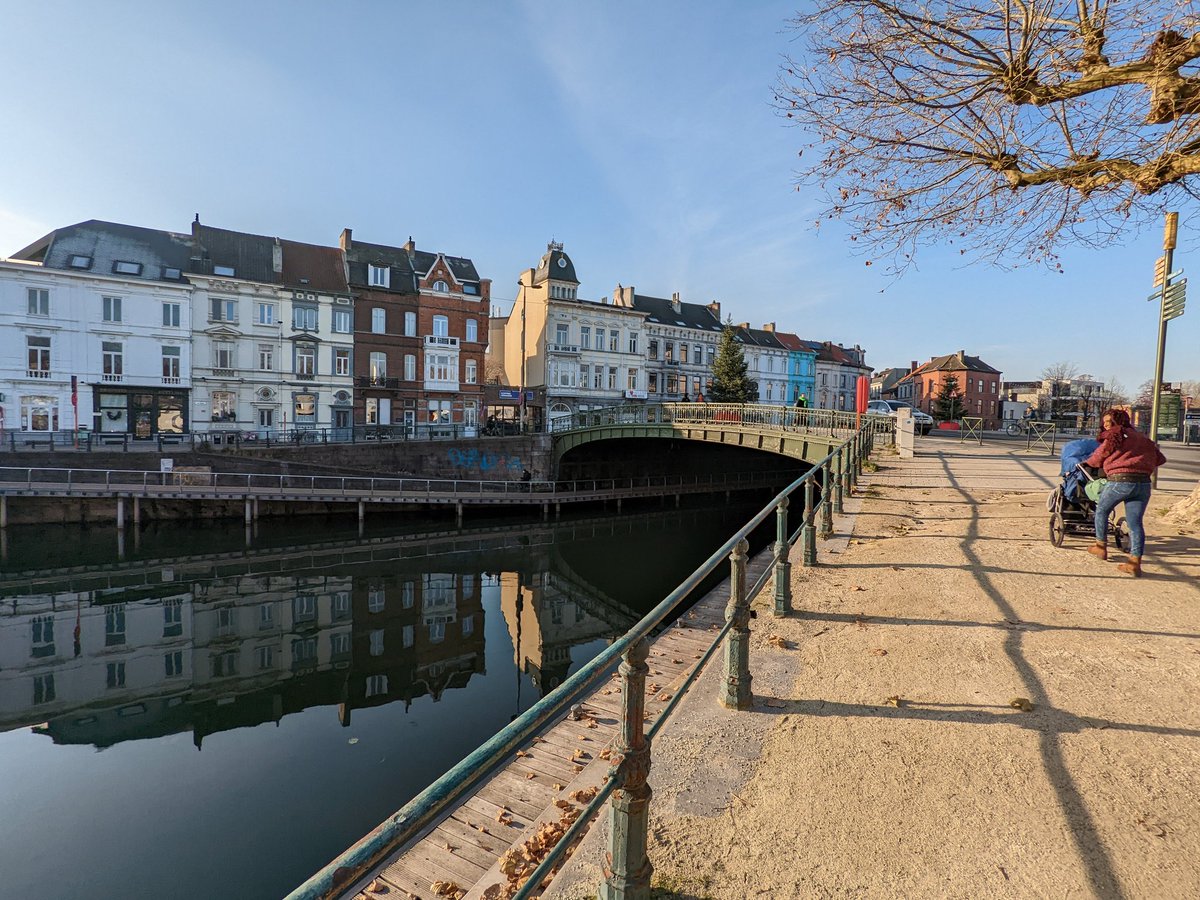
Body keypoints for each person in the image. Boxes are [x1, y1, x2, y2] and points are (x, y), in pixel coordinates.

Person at [1085, 408, 1166, 576]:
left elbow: (1097, 458)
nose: (1106, 425)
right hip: (1143, 484)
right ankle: (1134, 562)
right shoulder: (1143, 438)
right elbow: (1160, 459)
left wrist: (1088, 462)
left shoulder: (1115, 435)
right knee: (1135, 523)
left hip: (1120, 481)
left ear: (1118, 422)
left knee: (1102, 510)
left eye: (1109, 422)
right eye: (1104, 422)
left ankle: (1100, 547)